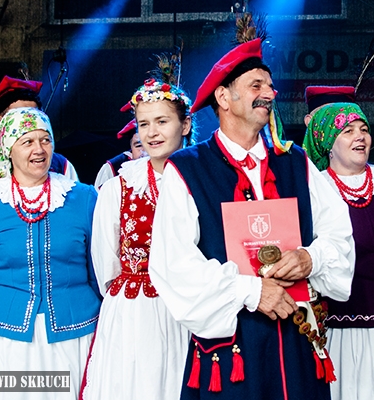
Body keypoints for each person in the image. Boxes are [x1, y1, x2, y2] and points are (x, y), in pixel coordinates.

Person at [148, 31, 355, 399]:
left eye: (270, 86)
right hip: (233, 350)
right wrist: (251, 291)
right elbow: (172, 263)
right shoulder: (187, 169)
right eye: (256, 85)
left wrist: (310, 258)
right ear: (223, 97)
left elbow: (339, 236)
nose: (269, 94)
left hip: (297, 339)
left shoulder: (295, 161)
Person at [0, 107, 101, 399]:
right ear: (9, 149)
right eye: (27, 141)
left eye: (45, 139)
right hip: (2, 342)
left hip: (73, 335)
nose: (39, 149)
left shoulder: (83, 197)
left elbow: (98, 270)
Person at [80, 66, 192, 399]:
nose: (152, 133)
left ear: (185, 125)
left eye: (162, 121)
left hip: (189, 307)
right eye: (144, 124)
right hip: (135, 312)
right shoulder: (119, 188)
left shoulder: (201, 181)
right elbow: (106, 265)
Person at [303, 100, 374, 400]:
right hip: (341, 325)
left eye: (364, 129)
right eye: (348, 130)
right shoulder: (313, 193)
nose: (360, 136)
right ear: (327, 142)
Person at [0, 75, 79, 181]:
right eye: (19, 114)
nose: (29, 119)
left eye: (34, 114)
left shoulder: (59, 165)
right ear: (0, 120)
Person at [93, 119, 146, 190]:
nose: (146, 151)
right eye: (139, 146)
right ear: (131, 147)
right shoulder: (112, 168)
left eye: (151, 144)